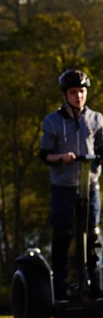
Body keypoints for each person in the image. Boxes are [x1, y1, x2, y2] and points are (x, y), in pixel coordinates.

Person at [40, 69, 103, 300]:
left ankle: (94, 285)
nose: (79, 96)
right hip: (63, 187)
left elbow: (101, 147)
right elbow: (44, 155)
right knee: (63, 234)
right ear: (65, 95)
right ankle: (60, 287)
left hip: (90, 186)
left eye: (82, 92)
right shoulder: (53, 121)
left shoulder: (97, 119)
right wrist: (61, 158)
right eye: (74, 92)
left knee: (92, 236)